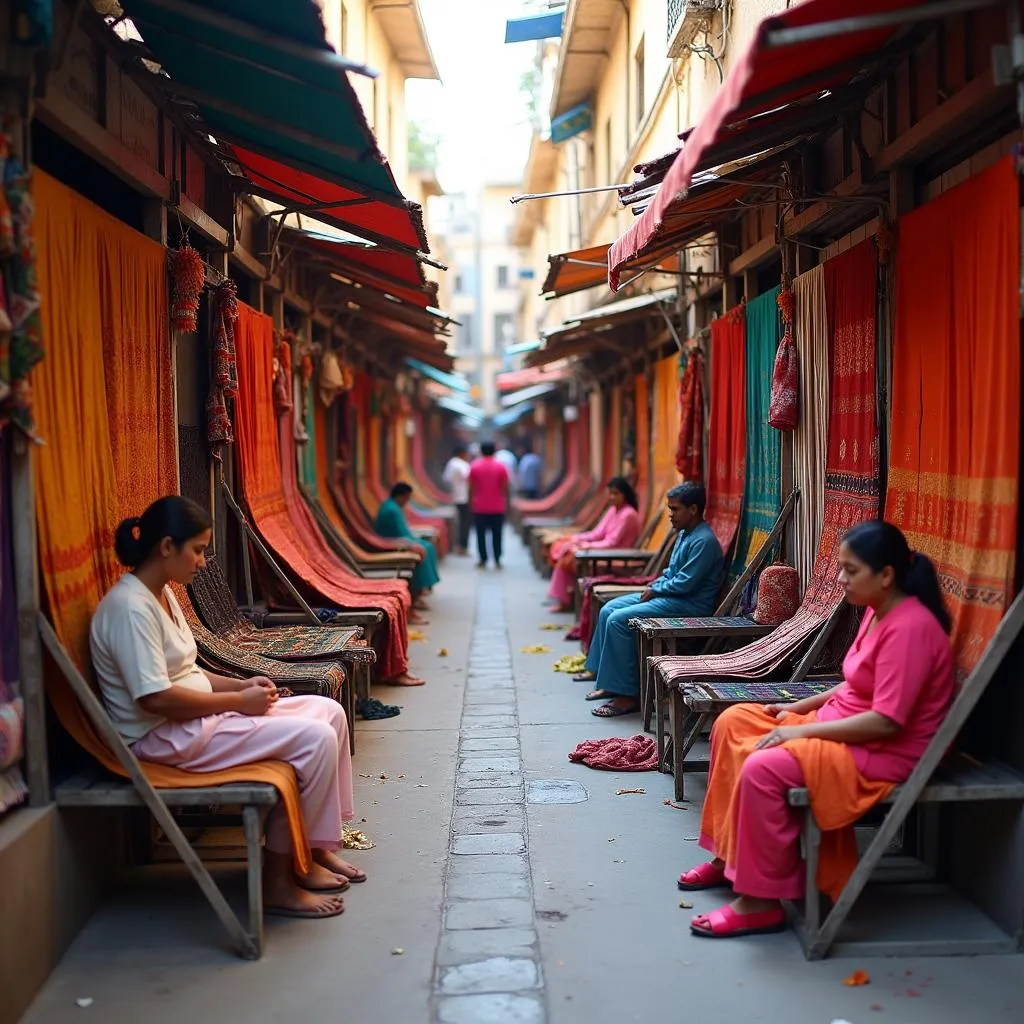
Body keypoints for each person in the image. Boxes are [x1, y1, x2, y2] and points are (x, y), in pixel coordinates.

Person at [90, 496, 366, 921]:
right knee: (315, 739)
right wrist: (238, 703)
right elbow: (156, 699)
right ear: (166, 547)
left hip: (194, 721)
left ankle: (316, 846)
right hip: (164, 739)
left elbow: (189, 672)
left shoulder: (160, 596)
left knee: (328, 712)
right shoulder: (129, 609)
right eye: (197, 550)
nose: (202, 562)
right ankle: (278, 883)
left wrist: (242, 685)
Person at [679, 520, 954, 940]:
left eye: (851, 570)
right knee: (733, 722)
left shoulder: (912, 628)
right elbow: (852, 683)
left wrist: (800, 734)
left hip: (882, 749)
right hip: (839, 724)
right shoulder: (878, 611)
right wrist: (795, 708)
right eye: (841, 567)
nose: (840, 578)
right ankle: (727, 857)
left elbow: (886, 720)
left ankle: (760, 901)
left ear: (886, 575)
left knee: (763, 768)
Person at [577, 482, 723, 717]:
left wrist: (656, 590)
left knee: (618, 620)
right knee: (608, 609)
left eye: (675, 509)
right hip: (669, 595)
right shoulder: (686, 534)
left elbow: (686, 583)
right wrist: (656, 585)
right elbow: (671, 572)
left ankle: (626, 696)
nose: (670, 515)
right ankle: (603, 678)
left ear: (693, 510)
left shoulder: (704, 541)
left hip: (688, 604)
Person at [546, 477, 642, 612]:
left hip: (618, 557)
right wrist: (574, 539)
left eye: (615, 493)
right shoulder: (613, 510)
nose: (611, 497)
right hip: (604, 553)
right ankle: (567, 600)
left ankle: (569, 602)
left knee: (570, 561)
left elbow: (612, 543)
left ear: (624, 494)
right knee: (567, 555)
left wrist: (584, 546)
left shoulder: (628, 515)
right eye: (610, 493)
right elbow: (596, 534)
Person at [373, 483, 441, 605]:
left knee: (427, 546)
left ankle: (421, 589)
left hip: (396, 539)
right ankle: (416, 592)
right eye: (407, 498)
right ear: (401, 496)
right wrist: (411, 543)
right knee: (422, 548)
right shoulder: (391, 509)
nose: (407, 501)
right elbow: (400, 533)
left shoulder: (391, 506)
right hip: (389, 542)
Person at [469, 441, 510, 569]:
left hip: (480, 506)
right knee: (497, 534)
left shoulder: (475, 466)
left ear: (481, 451)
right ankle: (497, 559)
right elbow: (505, 487)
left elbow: (471, 487)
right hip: (497, 506)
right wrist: (506, 502)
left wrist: (471, 502)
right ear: (494, 451)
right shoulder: (501, 466)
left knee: (480, 534)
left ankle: (483, 559)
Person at [442, 445, 472, 556]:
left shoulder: (451, 463)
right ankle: (462, 547)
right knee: (465, 524)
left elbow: (446, 479)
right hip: (464, 497)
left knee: (460, 523)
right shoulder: (461, 465)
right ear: (462, 453)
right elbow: (470, 478)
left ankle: (458, 546)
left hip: (456, 496)